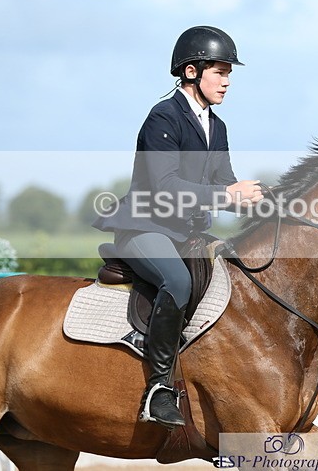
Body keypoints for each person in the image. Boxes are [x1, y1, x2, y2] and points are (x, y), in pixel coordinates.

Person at [93, 26, 263, 429]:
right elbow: (164, 186)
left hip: (187, 233)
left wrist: (261, 201)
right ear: (191, 72)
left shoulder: (216, 126)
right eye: (219, 72)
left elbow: (225, 182)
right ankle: (158, 389)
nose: (227, 81)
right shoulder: (164, 118)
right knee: (178, 281)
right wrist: (227, 195)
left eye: (228, 74)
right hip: (144, 227)